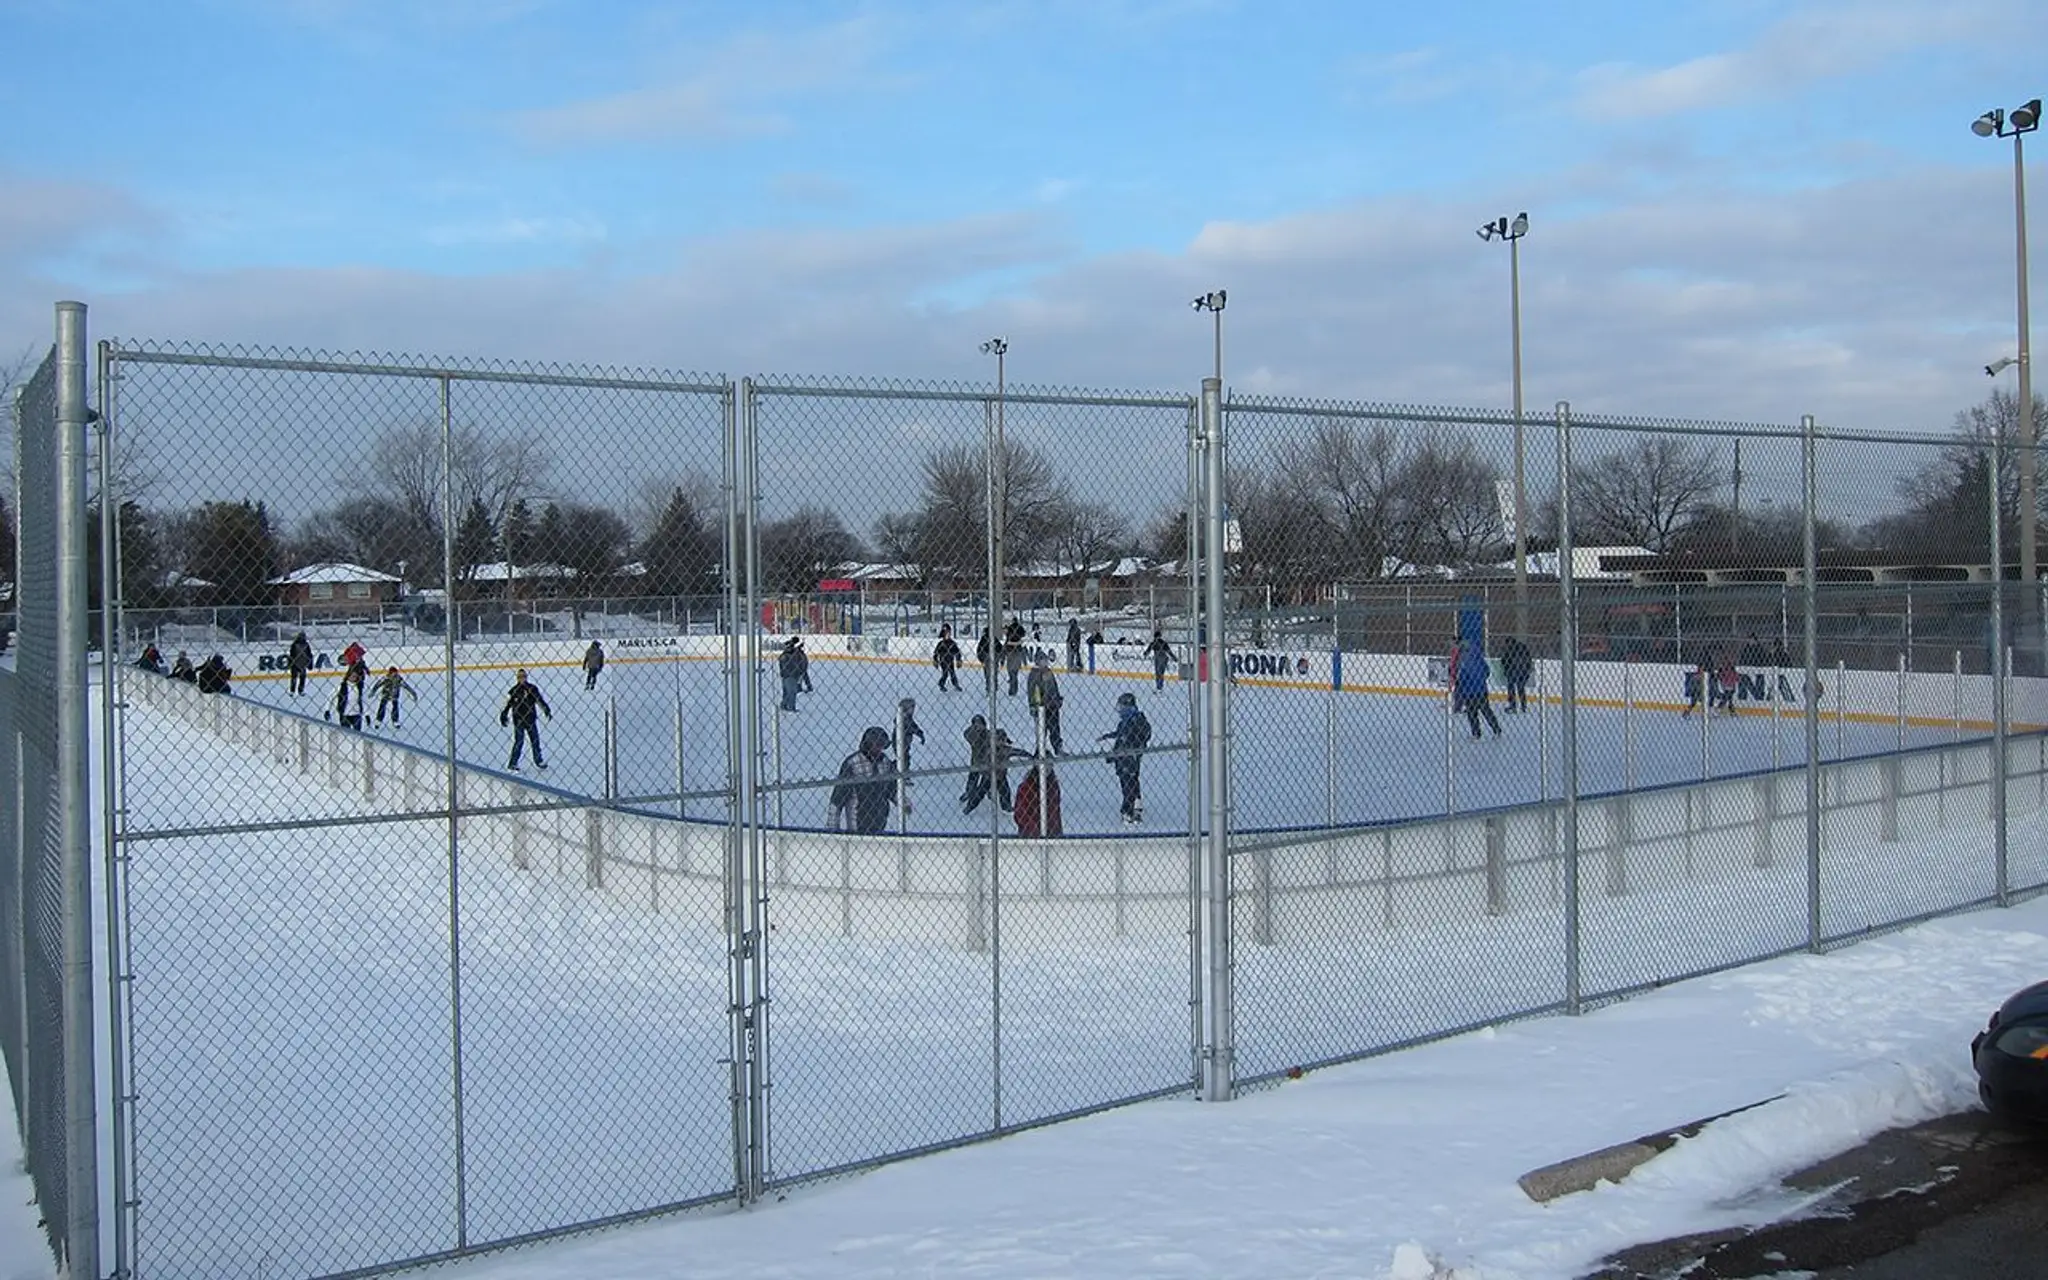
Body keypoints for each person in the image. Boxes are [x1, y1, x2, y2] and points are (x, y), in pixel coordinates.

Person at [829, 725, 896, 834]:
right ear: (868, 745)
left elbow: (892, 789)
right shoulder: (853, 763)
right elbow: (837, 799)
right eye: (877, 745)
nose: (880, 749)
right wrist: (832, 828)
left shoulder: (885, 762)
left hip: (880, 823)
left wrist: (903, 802)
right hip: (857, 825)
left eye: (883, 746)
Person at [1100, 690, 1152, 824]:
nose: (1119, 710)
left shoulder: (1136, 721)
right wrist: (1109, 737)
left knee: (1128, 782)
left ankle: (1128, 810)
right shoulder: (1126, 721)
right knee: (1131, 780)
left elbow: (1135, 737)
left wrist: (1132, 748)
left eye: (1122, 707)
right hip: (1125, 757)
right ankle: (1136, 803)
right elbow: (1120, 735)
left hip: (1129, 758)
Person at [500, 667, 552, 771]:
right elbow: (507, 705)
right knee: (519, 742)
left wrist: (546, 710)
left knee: (535, 741)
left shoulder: (532, 689)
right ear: (517, 678)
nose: (522, 679)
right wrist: (504, 714)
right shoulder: (513, 691)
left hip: (530, 719)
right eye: (519, 677)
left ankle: (538, 760)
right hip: (518, 720)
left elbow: (539, 700)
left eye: (523, 676)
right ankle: (513, 763)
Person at [961, 715, 1014, 815]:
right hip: (976, 763)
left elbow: (999, 736)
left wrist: (1006, 739)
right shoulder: (973, 735)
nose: (979, 726)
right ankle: (969, 794)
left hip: (989, 765)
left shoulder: (989, 735)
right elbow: (966, 734)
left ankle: (1002, 802)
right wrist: (974, 729)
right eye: (975, 724)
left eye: (980, 724)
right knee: (973, 780)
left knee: (998, 786)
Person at [1455, 643, 1501, 739]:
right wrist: (1481, 681)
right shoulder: (1480, 660)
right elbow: (1487, 672)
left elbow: (1462, 678)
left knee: (1472, 714)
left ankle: (1476, 733)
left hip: (1469, 692)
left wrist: (1461, 687)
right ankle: (1496, 730)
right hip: (1482, 691)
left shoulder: (1465, 663)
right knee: (1486, 711)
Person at [1013, 755, 1063, 838]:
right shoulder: (1027, 786)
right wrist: (1034, 830)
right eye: (1043, 764)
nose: (1046, 768)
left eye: (1049, 764)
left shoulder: (1053, 785)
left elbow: (1056, 812)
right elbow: (1020, 813)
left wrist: (1058, 832)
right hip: (1030, 836)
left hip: (1052, 834)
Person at [1025, 652, 1064, 754]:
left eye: (1046, 660)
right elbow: (1031, 691)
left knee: (1055, 728)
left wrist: (1058, 698)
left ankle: (1058, 747)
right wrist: (1033, 705)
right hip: (1041, 707)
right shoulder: (1034, 674)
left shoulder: (1049, 672)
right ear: (1038, 661)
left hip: (1053, 705)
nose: (1045, 662)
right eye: (1043, 660)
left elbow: (1054, 687)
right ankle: (1040, 751)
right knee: (1042, 731)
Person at [1499, 636, 1533, 714]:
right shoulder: (1523, 648)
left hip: (1514, 671)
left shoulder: (1510, 650)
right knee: (1520, 688)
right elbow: (1528, 660)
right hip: (1524, 671)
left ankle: (1513, 705)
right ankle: (1523, 705)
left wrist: (1506, 668)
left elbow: (1504, 660)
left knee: (1511, 688)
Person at [332, 663, 367, 730]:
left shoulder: (359, 687)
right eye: (352, 676)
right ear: (348, 676)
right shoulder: (342, 686)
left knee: (357, 734)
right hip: (345, 714)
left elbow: (362, 701)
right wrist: (327, 710)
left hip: (356, 714)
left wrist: (367, 714)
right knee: (346, 734)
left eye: (355, 676)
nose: (354, 678)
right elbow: (331, 697)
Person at [777, 636, 807, 712]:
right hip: (790, 674)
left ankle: (784, 705)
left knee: (787, 691)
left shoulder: (792, 653)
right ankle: (790, 707)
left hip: (788, 674)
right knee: (791, 691)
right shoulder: (790, 654)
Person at [933, 625, 962, 691]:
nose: (948, 635)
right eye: (946, 633)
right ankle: (941, 684)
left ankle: (955, 684)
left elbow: (957, 652)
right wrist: (935, 660)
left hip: (950, 660)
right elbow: (936, 653)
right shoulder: (941, 644)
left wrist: (958, 660)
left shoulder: (952, 643)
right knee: (945, 673)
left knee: (952, 673)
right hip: (943, 661)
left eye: (949, 633)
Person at [1003, 618, 1027, 695]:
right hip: (1018, 650)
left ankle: (1012, 688)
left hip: (1010, 651)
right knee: (1015, 671)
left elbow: (1006, 637)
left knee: (1011, 670)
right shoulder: (1020, 629)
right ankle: (1014, 687)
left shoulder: (1010, 629)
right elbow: (1024, 635)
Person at [1713, 649, 1739, 715]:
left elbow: (1735, 676)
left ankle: (1731, 710)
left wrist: (1735, 680)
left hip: (1731, 685)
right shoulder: (1722, 669)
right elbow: (1719, 677)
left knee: (1729, 698)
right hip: (1725, 685)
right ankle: (1720, 709)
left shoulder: (1732, 668)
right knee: (1727, 698)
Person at [976, 626, 997, 691]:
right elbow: (999, 648)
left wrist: (981, 659)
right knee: (994, 674)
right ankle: (994, 686)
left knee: (987, 674)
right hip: (993, 658)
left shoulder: (983, 639)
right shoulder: (994, 638)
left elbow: (979, 650)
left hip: (986, 658)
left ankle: (989, 687)